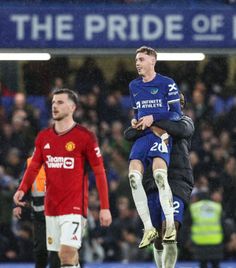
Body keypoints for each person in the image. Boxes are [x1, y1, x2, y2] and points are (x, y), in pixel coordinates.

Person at [13, 88, 112, 268]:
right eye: (53, 103)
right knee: (65, 259)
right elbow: (34, 166)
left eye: (60, 102)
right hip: (51, 208)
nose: (54, 106)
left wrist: (105, 207)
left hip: (74, 207)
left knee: (66, 254)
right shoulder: (44, 137)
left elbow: (99, 172)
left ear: (72, 107)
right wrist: (22, 189)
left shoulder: (85, 137)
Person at [124, 92, 195, 268]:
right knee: (156, 237)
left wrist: (152, 121)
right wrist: (146, 123)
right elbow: (128, 133)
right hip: (152, 181)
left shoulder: (185, 121)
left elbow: (181, 130)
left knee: (170, 232)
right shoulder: (149, 121)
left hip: (177, 180)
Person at [128, 46, 182, 248]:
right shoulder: (134, 86)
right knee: (133, 178)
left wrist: (154, 117)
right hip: (143, 136)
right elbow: (137, 114)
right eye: (136, 60)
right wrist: (136, 121)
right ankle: (149, 228)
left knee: (160, 177)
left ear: (153, 61)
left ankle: (169, 225)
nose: (138, 63)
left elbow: (177, 114)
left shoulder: (167, 83)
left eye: (141, 59)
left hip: (160, 134)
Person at [13, 156, 60, 268]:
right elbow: (23, 184)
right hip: (39, 215)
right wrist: (19, 204)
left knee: (55, 251)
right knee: (41, 250)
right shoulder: (31, 162)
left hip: (58, 215)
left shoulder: (61, 159)